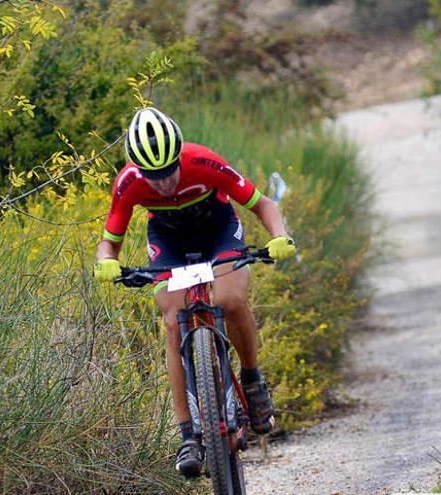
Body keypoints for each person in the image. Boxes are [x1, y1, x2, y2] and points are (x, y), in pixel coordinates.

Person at [93, 107, 296, 476]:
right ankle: (188, 434)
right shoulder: (128, 182)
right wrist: (105, 262)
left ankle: (252, 380)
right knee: (173, 322)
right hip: (168, 240)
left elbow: (263, 204)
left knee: (231, 299)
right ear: (138, 169)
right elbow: (109, 242)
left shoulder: (204, 161)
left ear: (179, 156)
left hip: (217, 230)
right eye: (153, 176)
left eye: (169, 170)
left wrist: (280, 236)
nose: (164, 182)